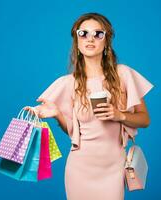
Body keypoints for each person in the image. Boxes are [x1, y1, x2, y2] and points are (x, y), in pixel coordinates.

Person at [25, 12, 154, 200]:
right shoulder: (69, 83)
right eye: (83, 33)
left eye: (98, 34)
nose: (90, 38)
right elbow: (73, 133)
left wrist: (120, 115)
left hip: (113, 167)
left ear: (106, 41)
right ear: (77, 41)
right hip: (79, 169)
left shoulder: (124, 75)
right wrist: (57, 114)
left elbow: (145, 119)